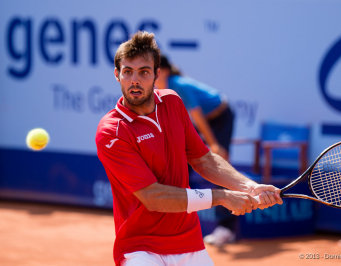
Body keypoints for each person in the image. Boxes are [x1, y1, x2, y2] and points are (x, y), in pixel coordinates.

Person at [95, 31, 282, 266]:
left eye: (143, 72)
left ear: (156, 74)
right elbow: (153, 197)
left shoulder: (173, 102)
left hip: (189, 244)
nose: (135, 80)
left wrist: (250, 186)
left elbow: (204, 160)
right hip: (140, 249)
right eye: (127, 72)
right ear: (117, 75)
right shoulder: (112, 131)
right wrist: (221, 196)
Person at [155, 55, 237, 246]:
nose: (153, 76)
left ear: (165, 71)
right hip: (205, 122)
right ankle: (176, 223)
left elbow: (197, 116)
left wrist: (213, 144)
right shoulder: (162, 89)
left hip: (221, 118)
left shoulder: (177, 84)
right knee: (181, 163)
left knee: (219, 167)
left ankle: (227, 228)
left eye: (155, 71)